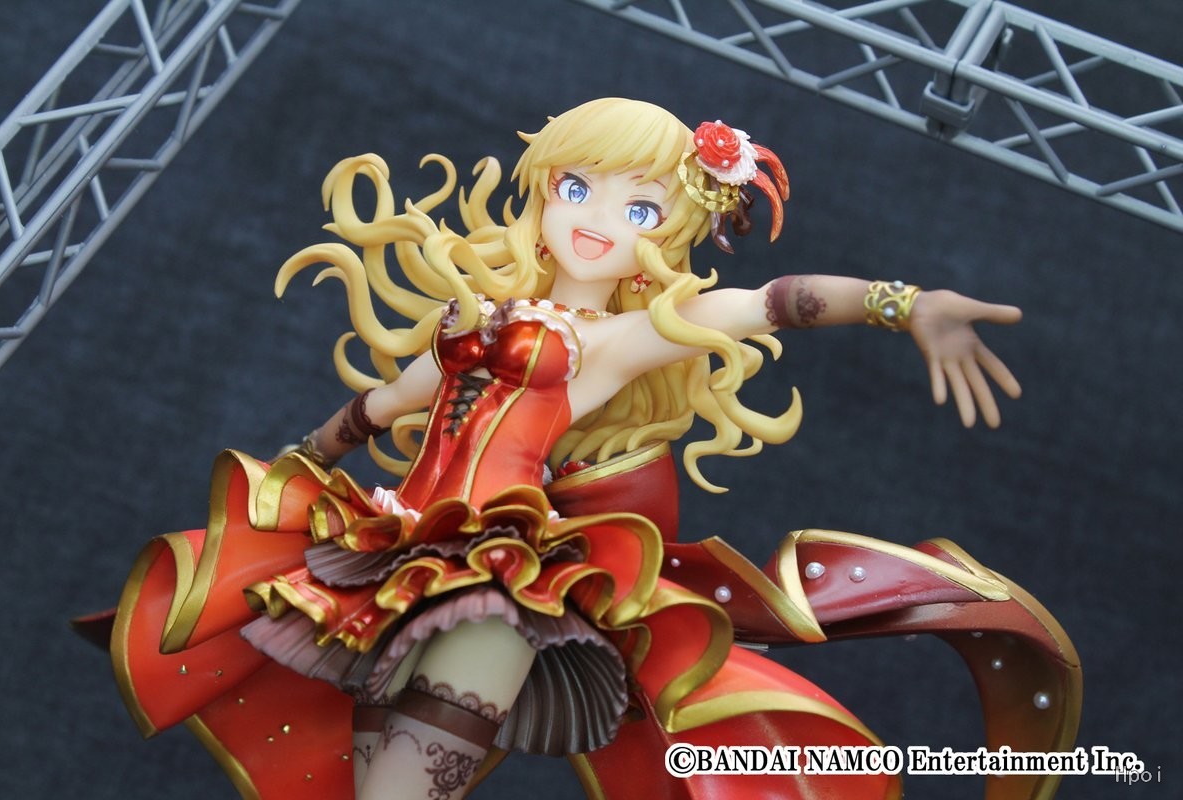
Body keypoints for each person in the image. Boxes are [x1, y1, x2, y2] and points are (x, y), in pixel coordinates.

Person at [105, 98, 1080, 800]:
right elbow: (385, 402)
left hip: (501, 577)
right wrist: (305, 460)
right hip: (392, 554)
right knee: (360, 776)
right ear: (543, 189)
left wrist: (903, 305)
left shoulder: (614, 341)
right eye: (578, 187)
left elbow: (769, 302)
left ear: (671, 230)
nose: (598, 221)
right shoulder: (474, 314)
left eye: (639, 209)